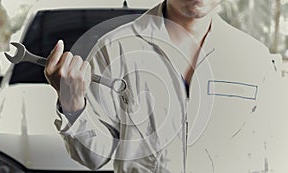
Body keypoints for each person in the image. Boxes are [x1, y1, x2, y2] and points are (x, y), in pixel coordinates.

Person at [45, 0, 282, 172]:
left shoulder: (253, 58)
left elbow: (270, 156)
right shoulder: (115, 48)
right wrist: (73, 104)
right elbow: (93, 157)